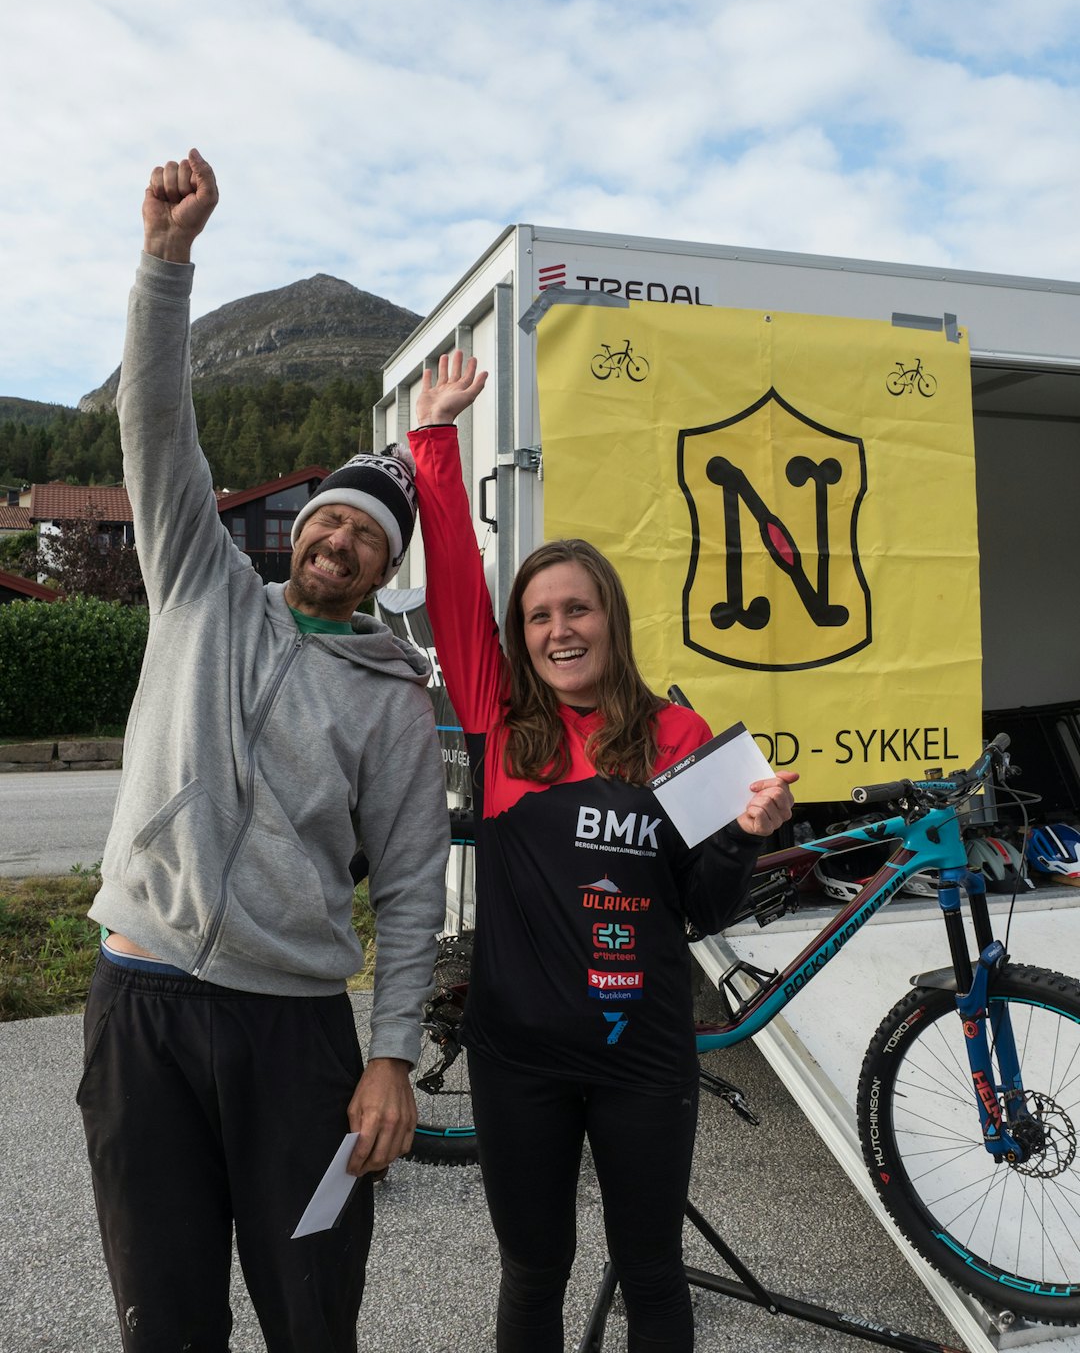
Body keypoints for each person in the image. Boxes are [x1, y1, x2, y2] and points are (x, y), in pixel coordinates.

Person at [78, 149, 450, 1353]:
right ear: (301, 532)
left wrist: (392, 1052)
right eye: (332, 519)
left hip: (292, 1031)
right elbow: (155, 422)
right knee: (164, 1316)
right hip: (139, 999)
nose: (344, 539)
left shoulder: (392, 696)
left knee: (311, 1311)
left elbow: (407, 887)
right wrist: (165, 264)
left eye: (371, 536)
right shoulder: (200, 586)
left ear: (386, 572)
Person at [408, 352, 798, 1352]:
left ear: (609, 620)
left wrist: (747, 840)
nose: (557, 629)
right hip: (517, 1060)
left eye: (575, 609)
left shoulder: (677, 733)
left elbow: (703, 907)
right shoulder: (501, 721)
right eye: (538, 616)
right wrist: (435, 442)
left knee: (653, 1275)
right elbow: (454, 582)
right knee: (534, 1274)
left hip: (644, 1060)